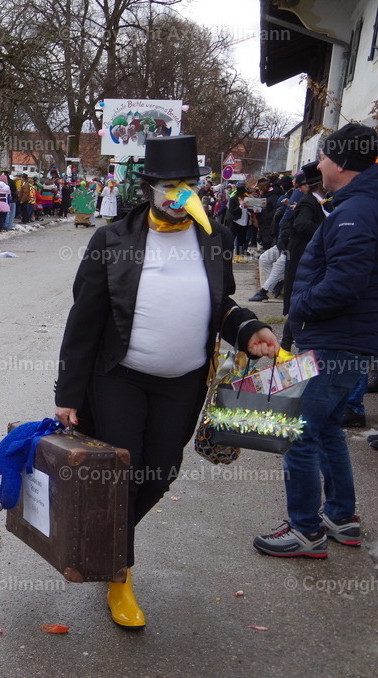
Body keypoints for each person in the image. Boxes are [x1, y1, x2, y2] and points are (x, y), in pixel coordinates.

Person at [55, 135, 279, 629]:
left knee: (158, 473)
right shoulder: (112, 240)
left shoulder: (213, 236)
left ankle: (102, 538)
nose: (182, 196)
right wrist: (67, 394)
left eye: (191, 186)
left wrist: (250, 329)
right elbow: (83, 320)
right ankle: (119, 574)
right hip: (120, 377)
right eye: (172, 187)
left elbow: (219, 304)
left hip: (183, 382)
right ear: (152, 189)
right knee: (123, 474)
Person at [254, 123, 378, 558]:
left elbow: (345, 282)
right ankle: (340, 516)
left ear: (341, 163)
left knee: (297, 433)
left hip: (331, 343)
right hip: (342, 343)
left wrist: (301, 304)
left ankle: (306, 530)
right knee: (326, 430)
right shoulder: (358, 204)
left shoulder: (354, 211)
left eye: (324, 157)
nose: (319, 166)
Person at [279, 161, 326, 351]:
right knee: (301, 299)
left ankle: (288, 341)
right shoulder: (309, 201)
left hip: (307, 258)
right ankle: (286, 342)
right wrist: (328, 230)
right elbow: (301, 224)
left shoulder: (318, 201)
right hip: (302, 258)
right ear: (319, 183)